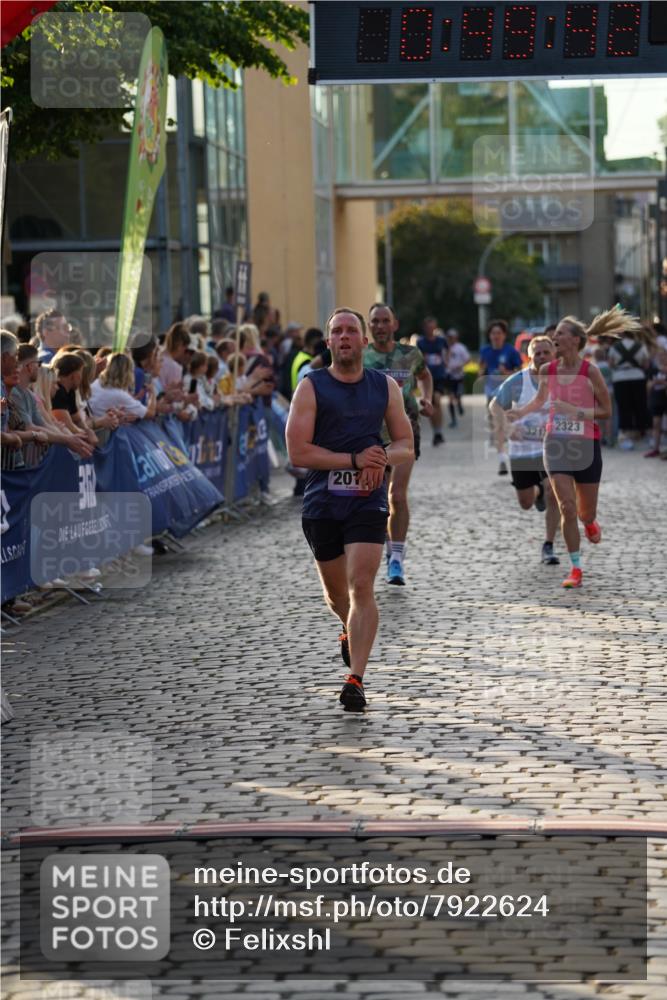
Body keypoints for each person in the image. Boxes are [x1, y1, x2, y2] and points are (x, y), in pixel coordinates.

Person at [285, 307, 413, 712]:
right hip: (322, 501)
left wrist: (379, 459)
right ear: (328, 343)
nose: (343, 337)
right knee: (337, 593)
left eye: (350, 331)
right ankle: (347, 628)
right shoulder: (311, 387)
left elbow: (406, 445)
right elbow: (297, 451)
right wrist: (354, 461)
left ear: (363, 341)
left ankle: (355, 678)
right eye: (336, 331)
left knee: (361, 586)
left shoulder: (385, 387)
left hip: (367, 500)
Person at [506, 309, 631, 589]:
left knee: (585, 513)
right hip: (555, 444)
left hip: (586, 445)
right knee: (566, 505)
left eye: (561, 333)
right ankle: (576, 568)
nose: (556, 337)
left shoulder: (590, 371)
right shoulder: (547, 370)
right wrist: (520, 413)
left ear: (575, 340)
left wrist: (574, 411)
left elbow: (606, 411)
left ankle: (590, 523)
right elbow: (539, 401)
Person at [363, 303, 434, 586]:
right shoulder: (362, 355)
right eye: (374, 322)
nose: (379, 326)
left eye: (384, 321)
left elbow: (425, 376)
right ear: (369, 327)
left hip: (405, 431)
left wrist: (427, 397)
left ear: (394, 324)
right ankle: (388, 547)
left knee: (398, 497)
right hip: (369, 434)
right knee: (376, 498)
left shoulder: (409, 354)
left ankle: (396, 560)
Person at [489, 336, 561, 566]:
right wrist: (508, 427)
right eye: (536, 353)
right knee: (526, 502)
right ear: (529, 356)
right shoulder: (517, 382)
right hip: (521, 451)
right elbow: (495, 405)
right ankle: (537, 492)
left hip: (550, 449)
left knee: (554, 492)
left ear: (553, 355)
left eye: (545, 352)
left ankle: (548, 545)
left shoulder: (562, 381)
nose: (541, 356)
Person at [10, 343, 93, 462]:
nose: (40, 367)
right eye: (38, 363)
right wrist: (68, 440)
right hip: (13, 468)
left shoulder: (28, 395)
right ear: (29, 367)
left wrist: (69, 439)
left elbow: (44, 424)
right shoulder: (12, 394)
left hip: (23, 463)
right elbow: (30, 427)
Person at [479, 319, 522, 475]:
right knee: (498, 426)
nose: (495, 336)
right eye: (493, 333)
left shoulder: (511, 351)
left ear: (504, 335)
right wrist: (481, 373)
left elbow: (520, 373)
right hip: (492, 393)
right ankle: (502, 460)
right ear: (489, 336)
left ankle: (513, 454)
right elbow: (481, 370)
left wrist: (506, 373)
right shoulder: (485, 351)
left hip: (509, 393)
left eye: (499, 333)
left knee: (508, 426)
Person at [607, 324, 650, 450]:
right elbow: (646, 364)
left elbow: (611, 364)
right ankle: (644, 434)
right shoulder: (640, 346)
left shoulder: (615, 346)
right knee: (640, 406)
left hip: (620, 378)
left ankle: (625, 436)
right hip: (638, 377)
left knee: (623, 407)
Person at [417, 316, 448, 445]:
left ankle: (439, 430)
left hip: (439, 375)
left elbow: (447, 352)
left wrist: (446, 363)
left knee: (437, 400)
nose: (430, 330)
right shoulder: (421, 342)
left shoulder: (441, 340)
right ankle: (436, 432)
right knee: (429, 404)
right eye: (428, 327)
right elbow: (418, 358)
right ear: (425, 328)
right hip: (426, 377)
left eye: (433, 327)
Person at [444, 328, 470, 426]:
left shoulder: (460, 347)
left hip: (458, 375)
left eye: (452, 337)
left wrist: (460, 366)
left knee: (458, 395)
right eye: (449, 337)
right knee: (450, 398)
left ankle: (459, 404)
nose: (451, 339)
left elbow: (467, 359)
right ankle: (453, 420)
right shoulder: (444, 348)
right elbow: (442, 360)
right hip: (448, 375)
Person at [644, 347, 667, 457]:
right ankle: (656, 448)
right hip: (657, 399)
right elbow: (648, 386)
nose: (661, 357)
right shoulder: (653, 370)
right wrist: (655, 382)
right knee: (656, 424)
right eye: (659, 355)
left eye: (663, 355)